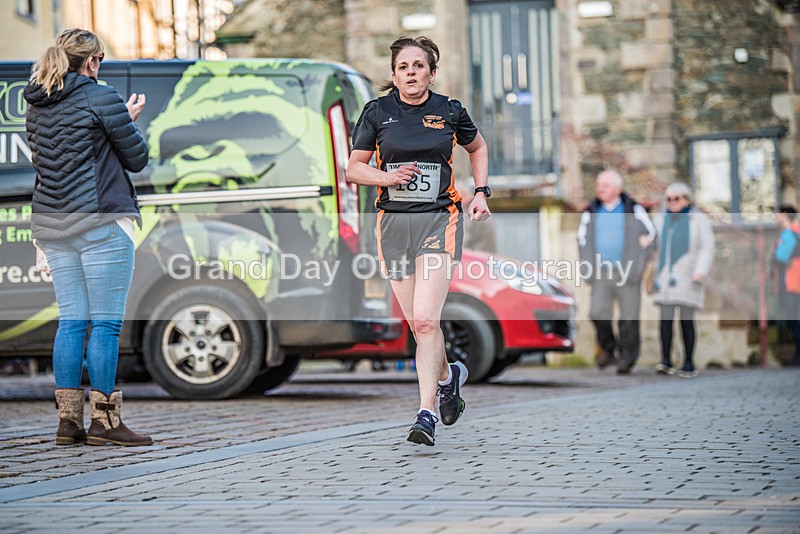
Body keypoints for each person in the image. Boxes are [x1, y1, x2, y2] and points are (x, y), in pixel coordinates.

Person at [346, 36, 490, 446]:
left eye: (418, 66)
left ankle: (425, 412)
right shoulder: (377, 112)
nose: (411, 73)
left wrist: (481, 192)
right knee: (418, 325)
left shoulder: (449, 111)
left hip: (438, 220)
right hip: (392, 225)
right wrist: (387, 177)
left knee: (427, 320)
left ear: (431, 71)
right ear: (394, 75)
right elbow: (354, 170)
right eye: (403, 67)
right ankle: (449, 375)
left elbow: (477, 148)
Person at [25, 29, 152, 446]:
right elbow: (135, 158)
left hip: (53, 225)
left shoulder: (37, 103)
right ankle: (106, 422)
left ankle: (68, 423)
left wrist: (115, 126)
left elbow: (63, 156)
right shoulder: (101, 96)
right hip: (99, 223)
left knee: (72, 321)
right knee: (106, 325)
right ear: (93, 61)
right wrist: (127, 123)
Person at [577, 169, 656, 374]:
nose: (600, 188)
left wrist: (643, 251)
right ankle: (608, 347)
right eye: (598, 185)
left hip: (627, 272)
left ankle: (627, 358)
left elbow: (652, 234)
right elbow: (582, 240)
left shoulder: (633, 209)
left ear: (618, 189)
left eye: (605, 185)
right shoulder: (591, 210)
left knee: (629, 318)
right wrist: (587, 268)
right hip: (600, 272)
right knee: (596, 312)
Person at [651, 183, 715, 378]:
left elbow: (707, 248)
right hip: (665, 278)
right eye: (669, 199)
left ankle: (688, 362)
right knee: (665, 320)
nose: (672, 202)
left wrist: (700, 271)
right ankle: (666, 360)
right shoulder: (660, 219)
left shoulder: (698, 220)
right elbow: (652, 240)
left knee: (686, 320)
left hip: (689, 275)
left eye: (676, 198)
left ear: (687, 199)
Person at [772, 205, 800, 366]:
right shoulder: (796, 231)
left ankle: (798, 356)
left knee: (793, 320)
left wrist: (772, 260)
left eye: (777, 214)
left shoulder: (789, 233)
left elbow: (781, 258)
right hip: (795, 281)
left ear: (784, 215)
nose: (775, 217)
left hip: (792, 282)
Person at [458, 179, 497, 252]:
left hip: (473, 259)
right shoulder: (478, 209)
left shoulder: (467, 213)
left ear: (462, 194)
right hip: (484, 257)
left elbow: (460, 243)